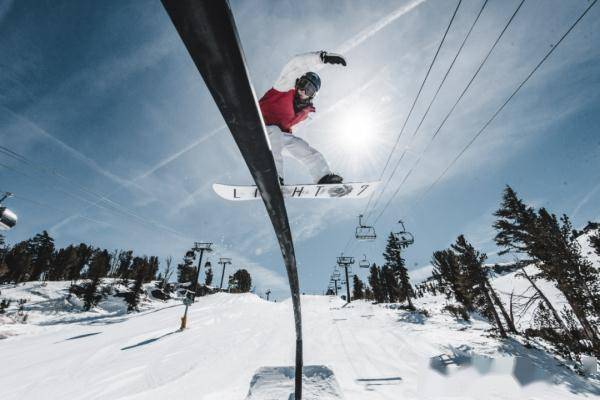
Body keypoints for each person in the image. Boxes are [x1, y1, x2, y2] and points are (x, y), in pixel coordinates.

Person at [259, 51, 347, 185]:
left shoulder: (304, 112)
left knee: (303, 147)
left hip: (276, 140)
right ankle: (272, 177)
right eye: (302, 84)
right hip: (256, 127)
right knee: (276, 132)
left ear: (312, 95)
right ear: (297, 82)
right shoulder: (284, 88)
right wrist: (321, 58)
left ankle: (323, 178)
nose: (302, 91)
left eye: (309, 90)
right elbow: (295, 65)